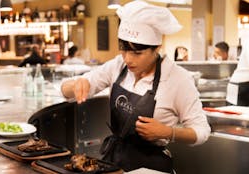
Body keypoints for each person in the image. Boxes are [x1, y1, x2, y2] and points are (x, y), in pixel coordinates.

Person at [60, 1, 210, 173]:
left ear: (156, 48)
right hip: (114, 163)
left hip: (152, 168)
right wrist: (77, 84)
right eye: (123, 50)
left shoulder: (178, 79)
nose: (128, 59)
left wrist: (168, 132)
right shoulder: (117, 66)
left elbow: (202, 131)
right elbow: (66, 91)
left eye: (137, 53)